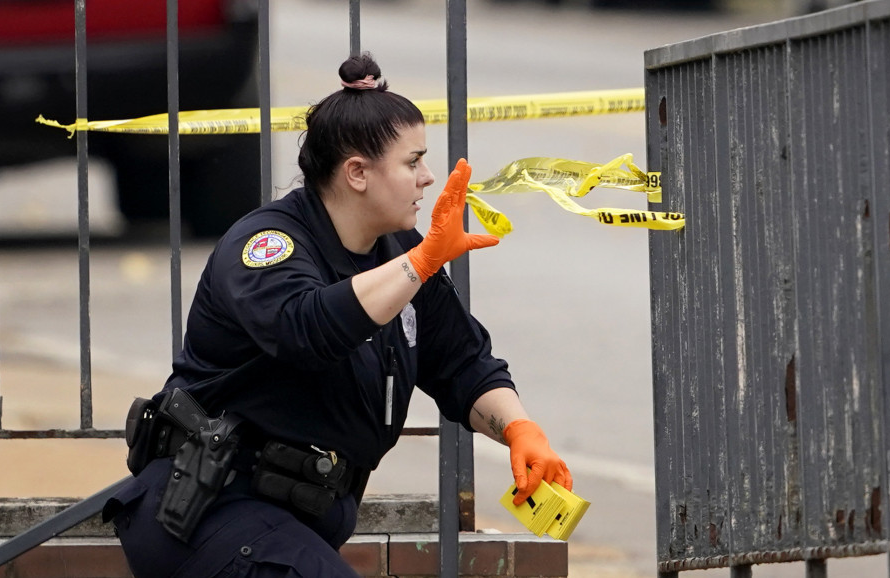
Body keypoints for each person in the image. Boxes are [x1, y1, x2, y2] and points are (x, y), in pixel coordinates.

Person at [103, 52, 573, 577]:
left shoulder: (399, 250)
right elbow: (307, 329)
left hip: (294, 521)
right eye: (412, 161)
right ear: (357, 173)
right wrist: (418, 264)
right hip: (208, 513)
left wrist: (518, 429)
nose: (428, 177)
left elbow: (462, 361)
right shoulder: (267, 245)